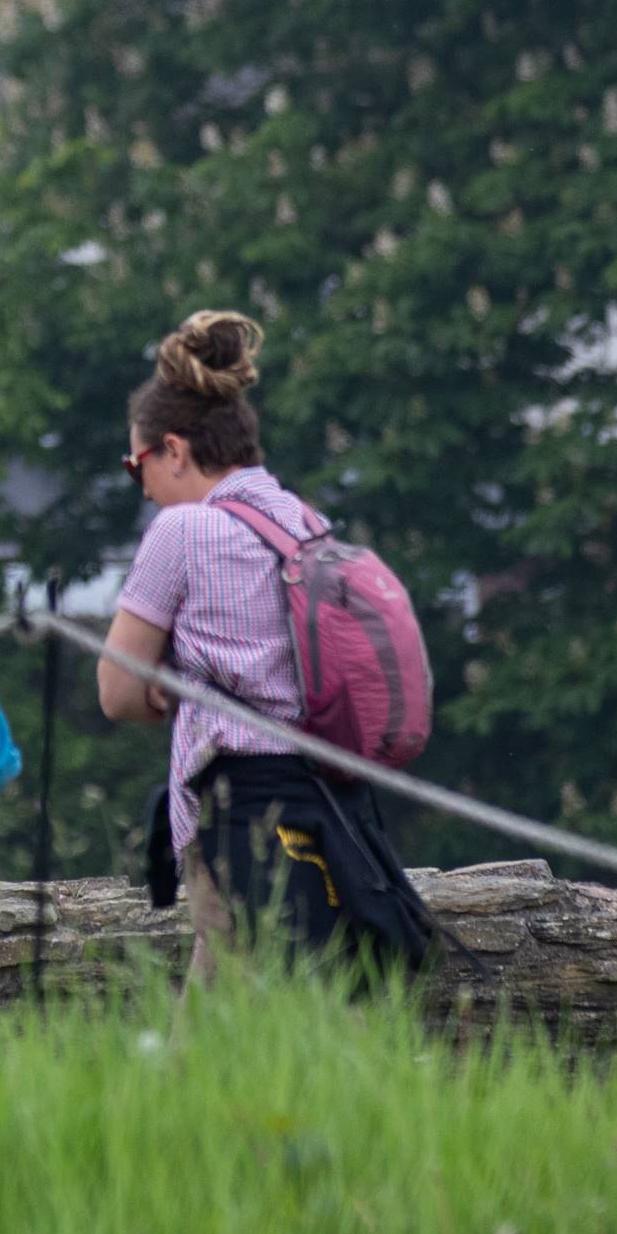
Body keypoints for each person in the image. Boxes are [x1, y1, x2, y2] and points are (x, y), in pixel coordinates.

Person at [93, 310, 436, 975]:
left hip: (241, 807)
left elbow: (116, 691)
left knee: (258, 1008)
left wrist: (163, 692)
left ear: (174, 449)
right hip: (329, 798)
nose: (142, 485)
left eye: (136, 464)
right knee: (265, 1007)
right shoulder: (301, 520)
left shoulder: (182, 530)